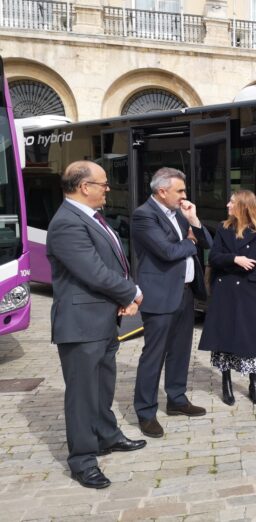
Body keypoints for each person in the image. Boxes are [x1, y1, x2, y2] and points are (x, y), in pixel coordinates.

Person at [47, 161, 146, 489]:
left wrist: (122, 296)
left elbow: (112, 264)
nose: (108, 188)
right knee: (82, 394)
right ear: (84, 186)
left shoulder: (91, 217)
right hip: (81, 324)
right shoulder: (66, 222)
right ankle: (83, 460)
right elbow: (93, 271)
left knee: (103, 385)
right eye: (103, 183)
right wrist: (132, 291)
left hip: (103, 319)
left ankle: (107, 435)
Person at [131, 167, 212, 438]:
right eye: (180, 191)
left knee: (180, 351)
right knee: (154, 355)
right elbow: (166, 251)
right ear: (162, 191)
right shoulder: (144, 215)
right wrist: (189, 243)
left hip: (185, 293)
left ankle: (176, 399)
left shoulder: (179, 213)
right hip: (159, 295)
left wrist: (194, 221)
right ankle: (146, 412)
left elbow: (207, 242)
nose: (184, 196)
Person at [198, 190, 256, 406]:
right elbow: (214, 257)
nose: (227, 205)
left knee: (249, 337)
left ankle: (254, 384)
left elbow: (252, 262)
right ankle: (226, 383)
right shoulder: (223, 227)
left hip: (247, 290)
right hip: (224, 290)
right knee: (224, 335)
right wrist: (235, 259)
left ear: (243, 206)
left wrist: (228, 261)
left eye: (232, 202)